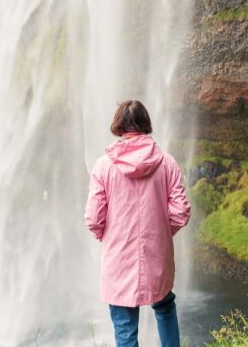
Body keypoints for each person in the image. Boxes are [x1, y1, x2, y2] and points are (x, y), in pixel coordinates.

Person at [85, 100, 191, 347]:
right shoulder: (167, 163)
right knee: (164, 306)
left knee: (124, 327)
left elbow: (93, 217)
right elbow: (181, 211)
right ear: (146, 124)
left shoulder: (103, 166)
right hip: (157, 253)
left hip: (118, 256)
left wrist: (106, 236)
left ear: (118, 126)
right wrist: (162, 233)